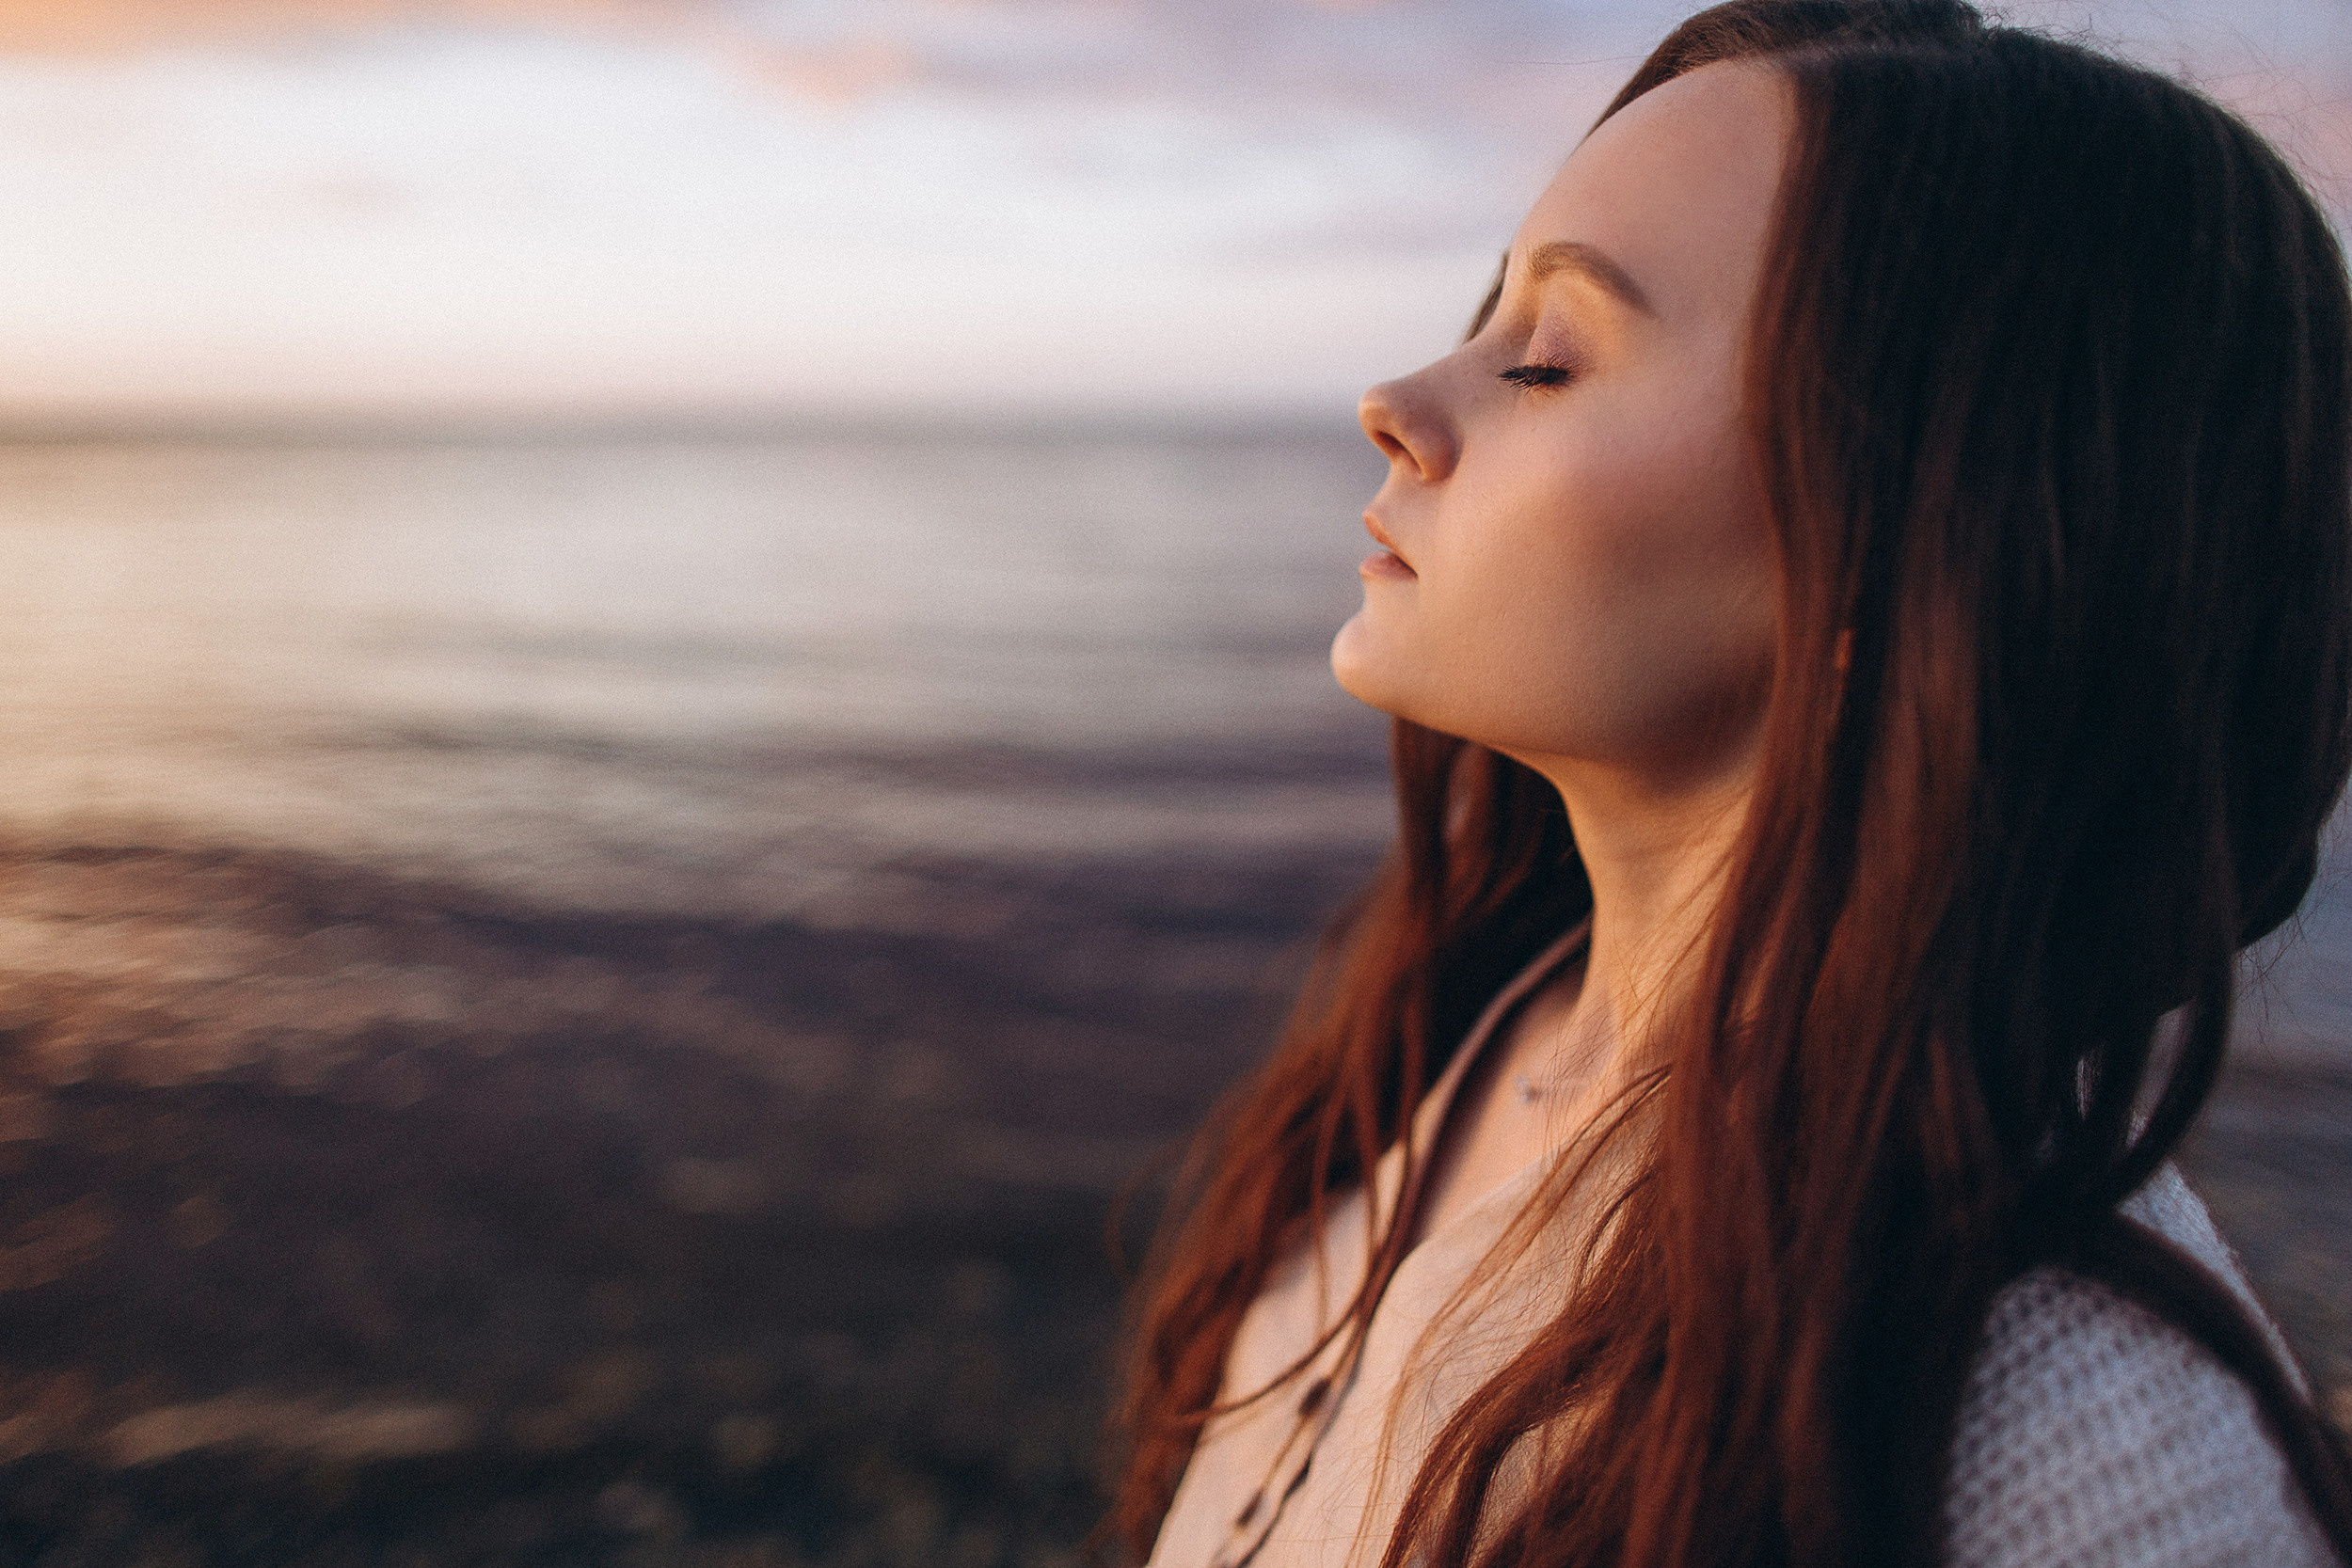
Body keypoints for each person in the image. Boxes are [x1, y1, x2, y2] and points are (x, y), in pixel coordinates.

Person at [1104, 3, 2352, 1565]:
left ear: (1917, 558)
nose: (1399, 402)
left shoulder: (2081, 1458)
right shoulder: (1490, 1015)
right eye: (1491, 315)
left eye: (1548, 359)